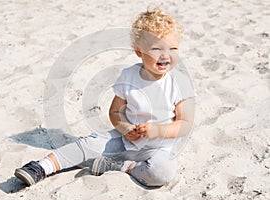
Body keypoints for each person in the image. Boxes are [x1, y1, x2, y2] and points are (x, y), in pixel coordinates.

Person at [14, 7, 195, 188]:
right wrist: (125, 128)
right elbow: (115, 112)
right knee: (88, 144)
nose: (166, 55)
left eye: (173, 48)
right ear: (139, 51)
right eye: (157, 49)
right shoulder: (129, 76)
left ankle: (124, 166)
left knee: (161, 173)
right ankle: (41, 167)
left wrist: (158, 130)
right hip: (126, 140)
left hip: (159, 148)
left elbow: (185, 123)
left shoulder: (178, 82)